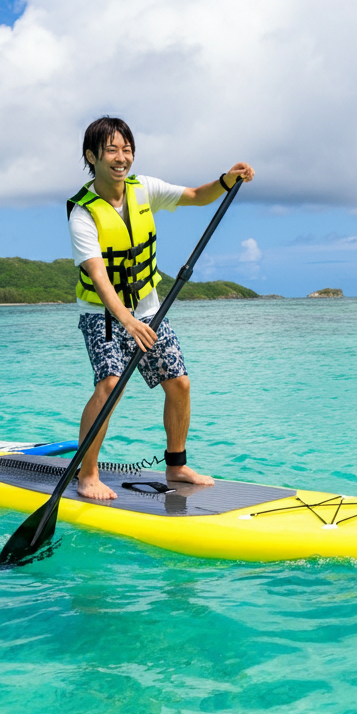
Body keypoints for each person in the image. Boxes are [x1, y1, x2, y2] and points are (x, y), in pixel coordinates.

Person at [68, 116, 255, 499]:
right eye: (111, 150)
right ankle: (88, 475)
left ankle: (177, 465)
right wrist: (126, 320)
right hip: (103, 315)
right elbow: (99, 277)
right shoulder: (82, 213)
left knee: (179, 384)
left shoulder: (144, 189)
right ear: (92, 156)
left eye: (127, 149)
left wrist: (226, 180)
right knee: (109, 385)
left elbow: (195, 196)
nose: (122, 158)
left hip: (150, 310)